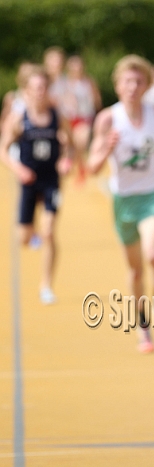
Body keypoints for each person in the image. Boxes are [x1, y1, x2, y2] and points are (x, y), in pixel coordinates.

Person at [87, 54, 154, 353]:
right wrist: (105, 149)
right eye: (127, 81)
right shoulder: (108, 119)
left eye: (138, 81)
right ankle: (142, 326)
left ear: (147, 85)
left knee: (153, 253)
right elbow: (92, 167)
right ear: (118, 85)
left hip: (153, 197)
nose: (132, 87)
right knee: (135, 270)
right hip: (124, 201)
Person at [0, 65, 73, 304]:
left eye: (43, 87)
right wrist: (18, 169)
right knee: (23, 237)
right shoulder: (19, 117)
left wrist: (66, 159)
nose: (40, 92)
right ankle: (32, 235)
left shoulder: (56, 115)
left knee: (50, 231)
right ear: (27, 91)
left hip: (51, 180)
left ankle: (46, 285)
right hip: (29, 181)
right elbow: (3, 150)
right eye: (35, 88)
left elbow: (69, 142)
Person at [64, 54, 102, 182]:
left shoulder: (89, 82)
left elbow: (97, 99)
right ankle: (75, 162)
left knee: (82, 141)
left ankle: (79, 165)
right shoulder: (66, 83)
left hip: (85, 117)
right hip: (70, 118)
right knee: (70, 142)